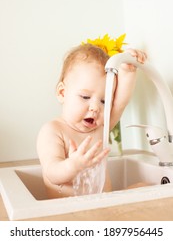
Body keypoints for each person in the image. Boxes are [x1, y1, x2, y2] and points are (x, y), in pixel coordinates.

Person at [37, 44, 147, 198]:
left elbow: (120, 102)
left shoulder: (100, 127)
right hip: (67, 213)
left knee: (145, 187)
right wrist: (73, 165)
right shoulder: (53, 131)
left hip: (102, 207)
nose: (95, 107)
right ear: (62, 93)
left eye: (103, 101)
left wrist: (127, 71)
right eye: (85, 97)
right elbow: (52, 173)